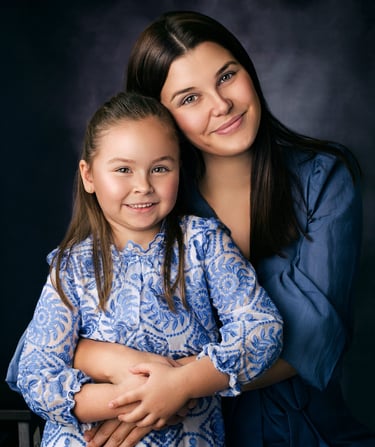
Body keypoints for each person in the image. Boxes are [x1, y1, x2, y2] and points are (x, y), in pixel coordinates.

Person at [65, 10, 375, 447]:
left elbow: (313, 336)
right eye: (189, 98)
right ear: (162, 118)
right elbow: (63, 330)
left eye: (226, 76)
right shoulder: (152, 199)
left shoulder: (323, 178)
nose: (221, 105)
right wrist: (139, 389)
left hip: (303, 431)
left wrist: (179, 386)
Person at [11, 91, 283, 447]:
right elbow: (35, 375)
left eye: (159, 168)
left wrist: (180, 385)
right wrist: (136, 399)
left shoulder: (204, 245)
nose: (143, 185)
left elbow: (262, 330)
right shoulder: (72, 266)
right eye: (123, 169)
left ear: (178, 169)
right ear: (89, 175)